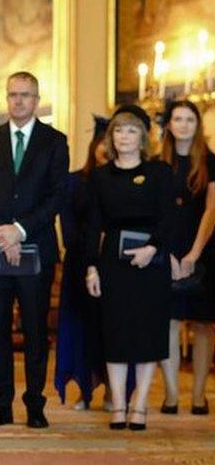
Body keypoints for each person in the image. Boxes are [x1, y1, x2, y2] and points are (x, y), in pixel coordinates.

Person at [0, 71, 68, 429]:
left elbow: (57, 195)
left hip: (36, 250)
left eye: (26, 95)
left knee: (35, 332)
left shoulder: (55, 141)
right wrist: (2, 233)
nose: (19, 101)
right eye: (13, 94)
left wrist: (20, 230)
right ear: (6, 98)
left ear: (36, 99)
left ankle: (35, 405)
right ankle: (1, 405)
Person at [85, 104, 176, 431]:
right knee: (116, 331)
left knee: (148, 331)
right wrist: (92, 267)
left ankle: (140, 406)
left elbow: (169, 217)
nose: (124, 136)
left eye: (132, 130)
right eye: (119, 131)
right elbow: (92, 225)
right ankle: (119, 406)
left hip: (152, 262)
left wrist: (152, 248)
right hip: (113, 263)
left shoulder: (160, 172)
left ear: (142, 137)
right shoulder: (99, 176)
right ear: (111, 138)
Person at [157, 100, 215, 416]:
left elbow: (212, 209)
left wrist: (194, 252)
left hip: (205, 250)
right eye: (177, 119)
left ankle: (199, 396)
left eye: (189, 119)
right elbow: (154, 213)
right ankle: (171, 394)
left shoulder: (211, 161)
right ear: (169, 125)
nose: (183, 125)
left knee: (204, 325)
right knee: (168, 322)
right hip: (166, 251)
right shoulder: (157, 163)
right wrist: (167, 254)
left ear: (197, 125)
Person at [54, 116, 114, 410]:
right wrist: (88, 250)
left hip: (116, 266)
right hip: (80, 265)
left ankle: (114, 391)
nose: (106, 147)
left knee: (112, 329)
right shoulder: (75, 181)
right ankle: (86, 389)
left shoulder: (123, 182)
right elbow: (68, 227)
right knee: (83, 329)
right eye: (102, 141)